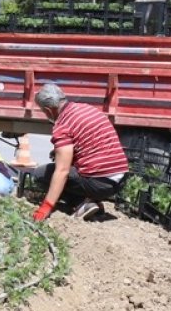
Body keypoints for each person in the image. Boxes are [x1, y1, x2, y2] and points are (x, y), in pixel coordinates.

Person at [27, 83, 129, 221]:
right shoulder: (86, 109)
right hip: (120, 177)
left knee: (41, 174)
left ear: (49, 110)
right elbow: (89, 143)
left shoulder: (62, 125)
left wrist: (46, 207)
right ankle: (91, 201)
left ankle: (81, 203)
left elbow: (62, 171)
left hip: (100, 183)